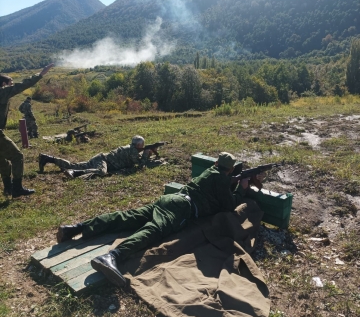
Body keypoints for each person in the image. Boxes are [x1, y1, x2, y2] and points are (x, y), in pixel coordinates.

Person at [56, 152, 263, 288]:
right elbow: (228, 204)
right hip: (183, 208)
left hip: (171, 199)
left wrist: (235, 182)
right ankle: (113, 256)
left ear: (216, 162)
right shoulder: (222, 178)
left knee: (126, 217)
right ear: (229, 169)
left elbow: (220, 188)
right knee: (155, 230)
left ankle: (75, 228)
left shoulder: (211, 171)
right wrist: (243, 189)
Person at [0, 64, 54, 198]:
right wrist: (41, 74)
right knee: (17, 157)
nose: (12, 85)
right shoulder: (3, 92)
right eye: (10, 83)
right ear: (4, 84)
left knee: (3, 162)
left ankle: (8, 189)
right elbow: (23, 85)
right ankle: (17, 188)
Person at [38, 135, 157, 178]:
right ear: (139, 145)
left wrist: (147, 153)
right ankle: (74, 173)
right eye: (143, 145)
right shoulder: (133, 151)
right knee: (101, 172)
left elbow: (135, 159)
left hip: (100, 158)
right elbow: (140, 166)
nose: (144, 146)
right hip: (102, 160)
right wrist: (146, 154)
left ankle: (48, 158)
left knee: (75, 164)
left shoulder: (131, 148)